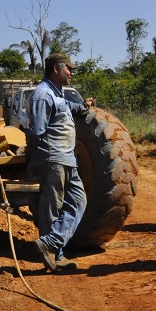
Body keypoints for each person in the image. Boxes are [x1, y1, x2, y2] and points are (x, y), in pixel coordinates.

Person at [25, 53, 94, 272]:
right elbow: (36, 132)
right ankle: (56, 254)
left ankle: (51, 244)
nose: (71, 72)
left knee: (78, 201)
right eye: (69, 69)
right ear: (56, 69)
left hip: (67, 159)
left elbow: (68, 109)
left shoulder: (58, 95)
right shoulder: (42, 95)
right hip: (53, 158)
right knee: (52, 208)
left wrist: (83, 105)